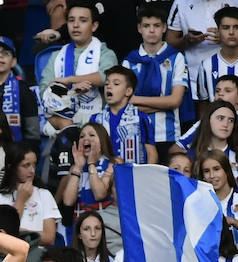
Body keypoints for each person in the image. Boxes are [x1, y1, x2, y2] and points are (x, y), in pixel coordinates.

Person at [39, 0, 118, 131]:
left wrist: (70, 80)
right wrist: (71, 93)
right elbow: (44, 90)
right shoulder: (57, 56)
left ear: (94, 26)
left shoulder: (105, 53)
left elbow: (107, 77)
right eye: (71, 20)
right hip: (61, 123)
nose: (75, 25)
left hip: (99, 126)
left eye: (83, 20)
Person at [125, 4, 188, 148]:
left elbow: (175, 101)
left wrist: (136, 100)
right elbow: (124, 104)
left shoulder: (176, 58)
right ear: (139, 28)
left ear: (164, 28)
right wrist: (164, 104)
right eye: (146, 26)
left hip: (168, 135)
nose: (152, 30)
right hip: (135, 133)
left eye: (156, 25)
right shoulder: (129, 61)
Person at [0, 143, 61, 246]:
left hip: (37, 257)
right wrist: (20, 200)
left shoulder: (44, 194)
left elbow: (49, 237)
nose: (32, 170)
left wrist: (20, 232)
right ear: (11, 167)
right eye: (26, 165)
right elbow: (1, 236)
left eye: (34, 164)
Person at [59, 123, 119, 246]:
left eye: (92, 135)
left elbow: (99, 194)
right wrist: (78, 167)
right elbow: (68, 201)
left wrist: (91, 163)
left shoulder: (113, 163)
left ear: (102, 142)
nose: (86, 139)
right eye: (82, 136)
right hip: (80, 226)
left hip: (105, 226)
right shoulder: (75, 168)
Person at [87, 66, 158, 165]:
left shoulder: (140, 118)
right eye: (106, 83)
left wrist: (148, 177)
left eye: (116, 84)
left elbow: (151, 153)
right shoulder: (96, 119)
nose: (109, 86)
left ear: (128, 91)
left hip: (133, 176)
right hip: (102, 176)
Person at [0, 36, 41, 151]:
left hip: (16, 154)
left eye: (6, 53)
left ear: (14, 61)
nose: (0, 56)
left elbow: (32, 133)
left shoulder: (24, 90)